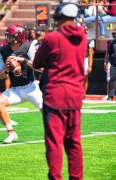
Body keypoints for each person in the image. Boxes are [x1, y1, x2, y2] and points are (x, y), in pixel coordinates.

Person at [33, 3, 86, 179]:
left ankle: (56, 177)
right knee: (74, 143)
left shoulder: (52, 38)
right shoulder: (83, 37)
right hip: (76, 95)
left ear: (58, 15)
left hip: (55, 94)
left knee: (55, 142)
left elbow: (36, 63)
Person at [0, 24, 43, 144]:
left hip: (32, 88)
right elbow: (0, 76)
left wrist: (24, 61)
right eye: (8, 36)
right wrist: (6, 70)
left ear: (19, 37)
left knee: (47, 112)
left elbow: (40, 68)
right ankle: (11, 132)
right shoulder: (2, 50)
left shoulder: (29, 46)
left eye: (11, 36)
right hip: (16, 90)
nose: (8, 38)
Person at [103, 28, 116, 100]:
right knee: (109, 79)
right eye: (114, 33)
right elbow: (107, 53)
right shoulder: (109, 42)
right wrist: (105, 62)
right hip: (110, 62)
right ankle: (108, 93)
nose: (114, 35)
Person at [82, 25, 95, 99]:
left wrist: (90, 65)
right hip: (77, 60)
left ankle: (83, 94)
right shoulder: (74, 40)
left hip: (85, 59)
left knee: (85, 78)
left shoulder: (89, 41)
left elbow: (90, 54)